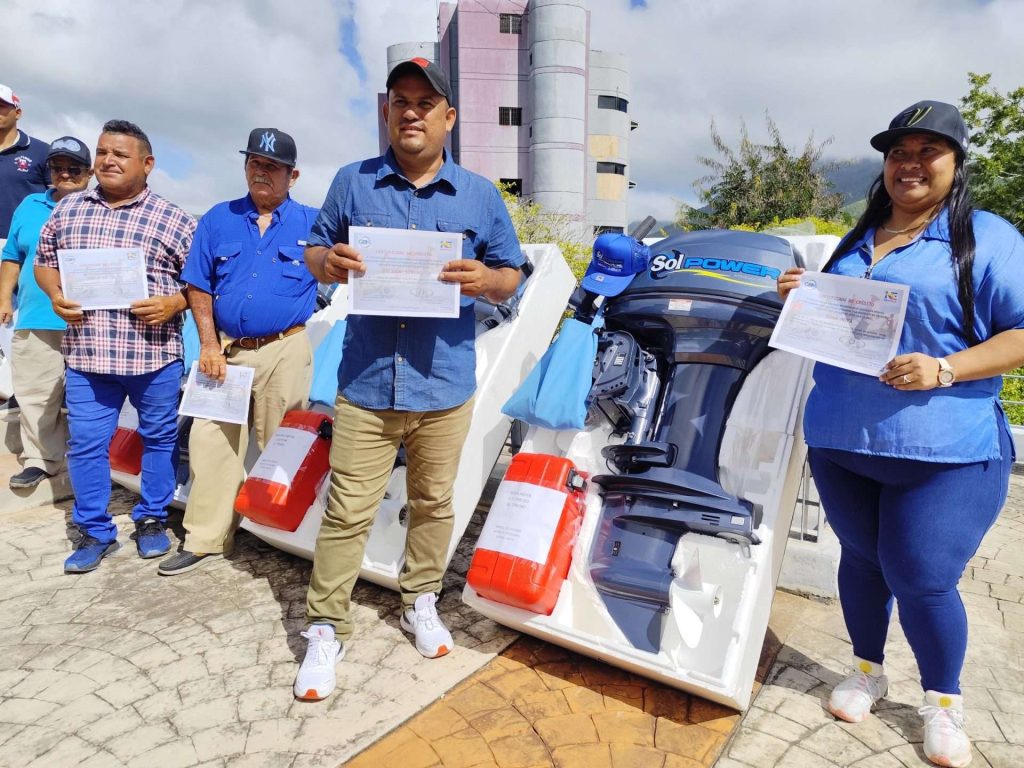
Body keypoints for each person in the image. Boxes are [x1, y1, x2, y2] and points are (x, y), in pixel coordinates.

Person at [777, 101, 1024, 768]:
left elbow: (1021, 333)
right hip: (842, 442)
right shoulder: (857, 239)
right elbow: (846, 326)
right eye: (897, 152)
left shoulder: (989, 238)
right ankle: (866, 669)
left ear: (955, 162)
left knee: (921, 577)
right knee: (860, 561)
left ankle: (943, 702)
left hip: (945, 452)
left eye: (927, 150)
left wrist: (946, 368)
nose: (909, 163)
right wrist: (807, 295)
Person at [293, 58, 524, 700]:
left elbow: (512, 273)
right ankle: (325, 628)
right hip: (366, 382)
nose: (413, 112)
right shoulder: (352, 183)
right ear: (386, 112)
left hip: (444, 383)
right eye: (402, 101)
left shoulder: (479, 195)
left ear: (449, 118)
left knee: (433, 503)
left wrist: (488, 280)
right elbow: (314, 248)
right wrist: (328, 262)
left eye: (427, 102)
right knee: (346, 510)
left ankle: (419, 598)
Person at [35, 120, 196, 574]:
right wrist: (55, 294)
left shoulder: (174, 218)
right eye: (103, 152)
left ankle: (151, 520)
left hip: (154, 356)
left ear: (147, 164)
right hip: (88, 356)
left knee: (159, 439)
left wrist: (172, 303)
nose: (108, 160)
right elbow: (45, 264)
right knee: (86, 443)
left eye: (120, 154)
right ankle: (94, 531)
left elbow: (201, 285)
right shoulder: (67, 212)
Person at [158, 128, 319, 576]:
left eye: (271, 166)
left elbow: (345, 267)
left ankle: (284, 534)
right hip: (223, 352)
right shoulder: (218, 218)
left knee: (283, 445)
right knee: (209, 441)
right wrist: (208, 343)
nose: (260, 172)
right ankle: (207, 538)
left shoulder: (315, 222)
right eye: (254, 163)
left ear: (293, 174)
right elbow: (197, 284)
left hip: (284, 349)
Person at [0, 137, 93, 488]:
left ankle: (98, 458)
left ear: (90, 173)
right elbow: (12, 255)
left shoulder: (101, 206)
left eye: (74, 168)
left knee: (95, 397)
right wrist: (4, 298)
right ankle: (42, 459)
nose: (65, 174)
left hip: (89, 320)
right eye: (58, 167)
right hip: (37, 315)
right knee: (36, 392)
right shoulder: (29, 204)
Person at [0, 84, 49, 240]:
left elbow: (58, 198)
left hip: (22, 244)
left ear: (18, 113)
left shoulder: (42, 151)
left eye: (1, 106)